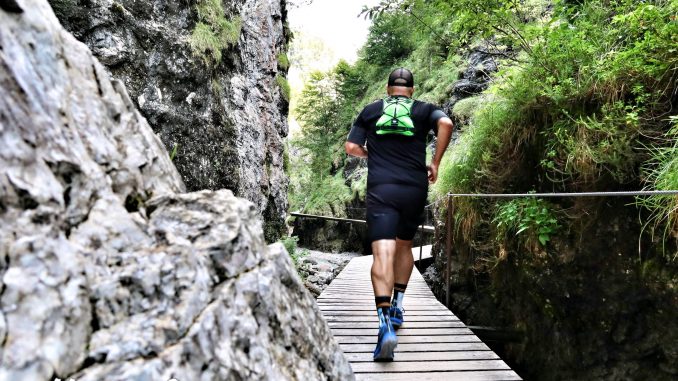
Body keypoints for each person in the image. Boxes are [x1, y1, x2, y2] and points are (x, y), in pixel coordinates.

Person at [344, 67, 454, 362]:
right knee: (405, 245)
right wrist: (435, 162)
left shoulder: (371, 110)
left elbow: (351, 146)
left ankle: (384, 327)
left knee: (382, 254)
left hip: (382, 189)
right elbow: (446, 123)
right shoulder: (424, 109)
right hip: (413, 188)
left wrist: (370, 153)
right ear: (412, 89)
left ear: (388, 87)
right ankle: (398, 305)